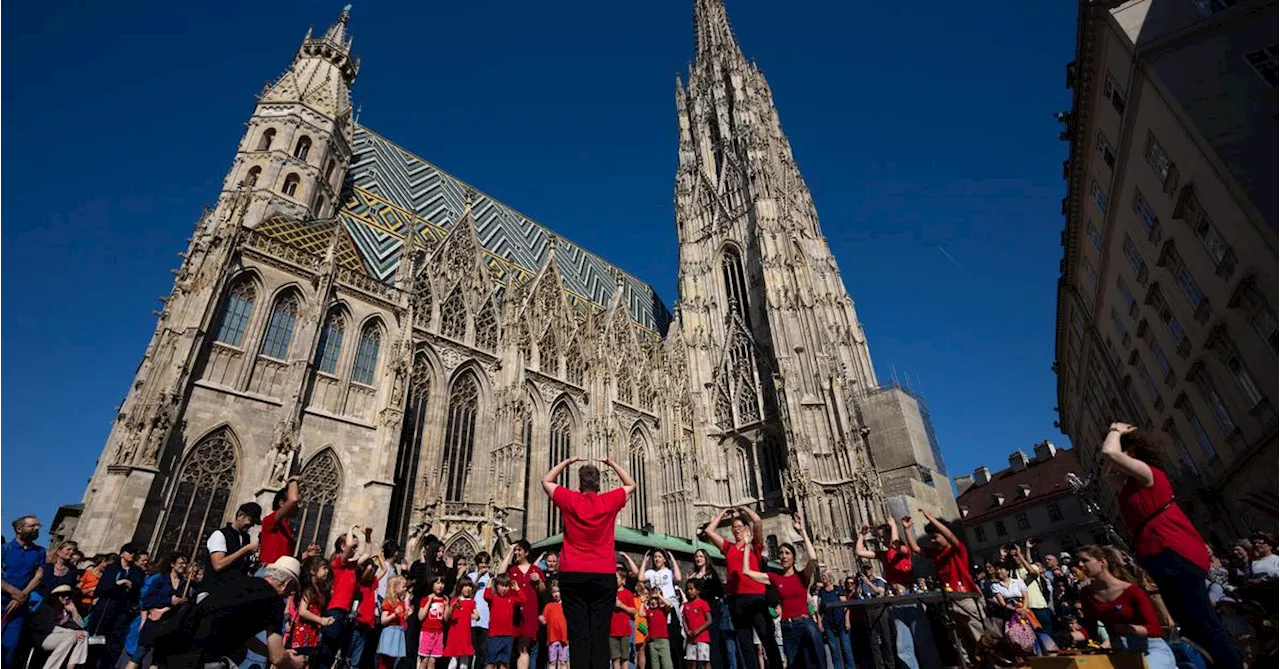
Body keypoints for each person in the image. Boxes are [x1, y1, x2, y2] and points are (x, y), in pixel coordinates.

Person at [1101, 423, 1242, 669]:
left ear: (1131, 452)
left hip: (1173, 549)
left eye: (1124, 452)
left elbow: (1110, 454)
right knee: (1189, 625)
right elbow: (1108, 472)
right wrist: (1116, 441)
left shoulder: (1148, 473)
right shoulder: (1128, 484)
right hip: (1158, 554)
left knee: (1203, 622)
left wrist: (1115, 430)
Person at [543, 457, 634, 669]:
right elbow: (631, 485)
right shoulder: (608, 500)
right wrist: (613, 464)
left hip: (572, 574)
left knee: (578, 635)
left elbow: (547, 480)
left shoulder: (570, 499)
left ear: (578, 483)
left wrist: (566, 462)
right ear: (599, 485)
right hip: (603, 575)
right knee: (600, 635)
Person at [158, 556, 307, 669]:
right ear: (286, 584)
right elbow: (278, 658)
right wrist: (294, 662)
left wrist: (277, 652)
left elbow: (236, 630)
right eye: (291, 590)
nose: (289, 594)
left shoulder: (238, 581)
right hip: (203, 658)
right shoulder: (274, 602)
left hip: (174, 646)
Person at [702, 506, 781, 669]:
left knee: (766, 638)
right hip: (736, 599)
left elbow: (758, 521)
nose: (736, 530)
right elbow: (709, 531)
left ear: (746, 529)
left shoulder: (754, 546)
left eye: (739, 527)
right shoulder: (729, 548)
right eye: (734, 528)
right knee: (745, 644)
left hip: (756, 597)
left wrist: (745, 510)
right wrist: (722, 514)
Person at [740, 516, 822, 669]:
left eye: (787, 553)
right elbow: (746, 571)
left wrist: (802, 531)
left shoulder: (802, 576)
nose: (783, 556)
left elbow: (813, 558)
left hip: (805, 624)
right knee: (793, 664)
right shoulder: (775, 578)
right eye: (781, 553)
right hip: (787, 627)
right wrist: (746, 545)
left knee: (815, 663)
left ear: (793, 557)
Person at [1076, 546, 1177, 669]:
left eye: (1085, 560)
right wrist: (1071, 636)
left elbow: (1155, 629)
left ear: (1102, 562)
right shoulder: (1086, 594)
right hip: (1122, 653)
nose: (1080, 565)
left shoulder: (1131, 591)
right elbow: (1090, 628)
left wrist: (1129, 629)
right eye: (1079, 562)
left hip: (1150, 649)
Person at [856, 516, 935, 669]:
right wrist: (861, 535)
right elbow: (860, 552)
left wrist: (894, 526)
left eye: (882, 536)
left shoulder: (903, 550)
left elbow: (896, 545)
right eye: (879, 538)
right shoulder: (884, 555)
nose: (881, 540)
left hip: (909, 597)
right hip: (897, 601)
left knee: (922, 640)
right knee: (903, 646)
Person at [913, 508, 985, 661]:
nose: (932, 540)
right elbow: (915, 549)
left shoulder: (957, 550)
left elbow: (951, 537)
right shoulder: (937, 554)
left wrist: (932, 519)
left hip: (966, 598)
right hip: (950, 601)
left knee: (980, 637)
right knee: (960, 642)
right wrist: (906, 528)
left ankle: (989, 664)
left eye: (935, 537)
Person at [320, 526, 375, 669]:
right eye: (354, 546)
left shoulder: (351, 566)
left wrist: (368, 537)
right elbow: (349, 545)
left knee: (334, 653)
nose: (356, 549)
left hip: (344, 613)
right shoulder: (338, 563)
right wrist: (351, 528)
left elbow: (367, 554)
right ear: (343, 546)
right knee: (326, 653)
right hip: (335, 610)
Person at [125, 552, 189, 669]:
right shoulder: (160, 580)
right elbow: (146, 601)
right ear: (172, 564)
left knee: (158, 660)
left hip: (168, 624)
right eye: (181, 563)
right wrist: (169, 600)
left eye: (185, 563)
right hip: (154, 623)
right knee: (138, 655)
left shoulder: (185, 584)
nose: (183, 566)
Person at [90, 542, 144, 669]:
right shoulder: (112, 568)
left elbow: (136, 588)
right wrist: (121, 583)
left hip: (123, 612)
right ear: (122, 553)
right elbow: (104, 588)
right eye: (129, 552)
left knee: (114, 646)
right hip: (105, 610)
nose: (132, 555)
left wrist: (123, 585)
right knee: (96, 644)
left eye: (134, 553)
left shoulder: (137, 571)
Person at [0, 515, 44, 669]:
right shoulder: (4, 549)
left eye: (38, 526)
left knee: (9, 646)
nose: (37, 528)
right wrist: (13, 592)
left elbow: (39, 575)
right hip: (2, 601)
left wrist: (21, 596)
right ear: (19, 529)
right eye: (32, 526)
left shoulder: (39, 552)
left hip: (19, 607)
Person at [682, 550, 728, 669]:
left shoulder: (711, 574)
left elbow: (719, 591)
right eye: (696, 556)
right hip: (696, 614)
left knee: (712, 644)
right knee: (698, 647)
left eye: (701, 556)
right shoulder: (693, 576)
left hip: (710, 610)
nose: (698, 558)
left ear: (706, 558)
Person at [506, 541, 546, 669]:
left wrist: (538, 581)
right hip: (512, 613)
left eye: (519, 550)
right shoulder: (512, 570)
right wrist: (509, 551)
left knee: (523, 649)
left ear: (526, 552)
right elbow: (499, 573)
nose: (516, 553)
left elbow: (542, 591)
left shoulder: (536, 570)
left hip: (529, 613)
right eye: (515, 550)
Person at [30, 585, 88, 669]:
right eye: (63, 595)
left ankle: (71, 666)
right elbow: (47, 628)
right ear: (56, 596)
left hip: (61, 636)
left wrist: (74, 611)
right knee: (72, 636)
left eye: (69, 595)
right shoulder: (47, 608)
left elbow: (80, 627)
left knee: (84, 634)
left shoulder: (65, 610)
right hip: (44, 637)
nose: (67, 597)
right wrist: (72, 632)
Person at [207, 502, 262, 584]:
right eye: (250, 520)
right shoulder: (220, 534)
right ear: (240, 515)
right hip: (215, 588)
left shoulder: (246, 538)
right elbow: (218, 565)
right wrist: (246, 549)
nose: (251, 525)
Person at [292, 556, 335, 658]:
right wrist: (320, 620)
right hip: (303, 634)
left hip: (312, 634)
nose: (327, 571)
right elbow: (302, 611)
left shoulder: (319, 590)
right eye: (324, 568)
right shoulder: (309, 590)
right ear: (312, 571)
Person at [484, 574, 524, 669]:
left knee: (505, 662)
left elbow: (523, 599)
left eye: (506, 586)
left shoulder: (511, 599)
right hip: (495, 636)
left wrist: (517, 589)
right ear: (496, 586)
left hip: (508, 636)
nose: (504, 588)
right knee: (491, 661)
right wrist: (489, 586)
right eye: (501, 585)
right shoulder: (493, 598)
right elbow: (486, 596)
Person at [260, 478, 301, 567]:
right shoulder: (270, 521)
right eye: (297, 504)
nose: (298, 507)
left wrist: (306, 554)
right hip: (267, 572)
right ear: (282, 503)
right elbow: (293, 499)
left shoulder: (288, 529)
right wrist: (293, 481)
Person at [815, 571, 853, 669]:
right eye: (822, 576)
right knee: (834, 649)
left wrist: (847, 620)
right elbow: (819, 609)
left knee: (846, 648)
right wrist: (820, 623)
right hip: (828, 623)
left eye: (825, 576)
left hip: (840, 621)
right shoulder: (821, 592)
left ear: (830, 577)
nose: (823, 578)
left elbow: (846, 606)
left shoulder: (838, 589)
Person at [443, 577, 479, 669]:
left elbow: (476, 615)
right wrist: (452, 606)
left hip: (466, 635)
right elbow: (448, 617)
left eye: (470, 586)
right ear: (460, 587)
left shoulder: (471, 602)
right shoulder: (454, 600)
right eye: (465, 586)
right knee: (453, 662)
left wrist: (474, 616)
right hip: (455, 634)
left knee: (464, 663)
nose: (468, 588)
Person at [377, 575, 410, 669]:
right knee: (385, 661)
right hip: (390, 632)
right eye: (403, 586)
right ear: (395, 587)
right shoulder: (389, 602)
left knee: (393, 661)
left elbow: (402, 618)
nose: (405, 588)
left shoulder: (401, 602)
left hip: (399, 632)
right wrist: (394, 614)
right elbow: (383, 620)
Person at [468, 552, 494, 668]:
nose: (483, 565)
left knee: (482, 652)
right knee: (471, 650)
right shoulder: (471, 576)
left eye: (485, 563)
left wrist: (492, 578)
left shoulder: (491, 578)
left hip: (486, 619)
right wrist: (478, 576)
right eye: (481, 562)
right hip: (473, 617)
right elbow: (469, 594)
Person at [418, 577, 449, 669]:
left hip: (439, 633)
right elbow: (420, 617)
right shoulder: (425, 599)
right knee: (424, 660)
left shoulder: (444, 600)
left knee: (433, 661)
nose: (440, 586)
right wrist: (428, 602)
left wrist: (447, 606)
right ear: (432, 584)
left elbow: (446, 619)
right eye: (437, 583)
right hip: (427, 632)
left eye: (442, 583)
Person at [610, 569, 637, 669]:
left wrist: (621, 606)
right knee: (615, 658)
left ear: (623, 580)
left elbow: (634, 611)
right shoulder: (609, 593)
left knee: (624, 658)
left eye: (616, 578)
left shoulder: (627, 594)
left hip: (624, 631)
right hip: (612, 631)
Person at [681, 581, 711, 669]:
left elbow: (709, 620)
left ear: (698, 590)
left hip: (702, 637)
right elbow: (684, 620)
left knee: (705, 660)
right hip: (691, 639)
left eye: (691, 589)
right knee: (691, 662)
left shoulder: (703, 603)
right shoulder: (686, 605)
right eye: (687, 590)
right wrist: (687, 631)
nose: (689, 591)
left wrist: (698, 630)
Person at [540, 584, 567, 669]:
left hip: (564, 638)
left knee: (563, 662)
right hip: (552, 638)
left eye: (558, 591)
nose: (556, 594)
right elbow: (544, 621)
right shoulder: (549, 606)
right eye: (554, 592)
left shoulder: (566, 606)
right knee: (552, 661)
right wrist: (541, 619)